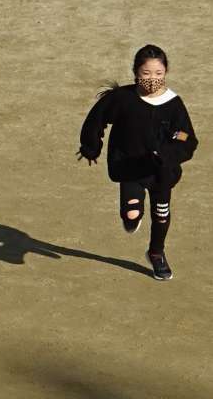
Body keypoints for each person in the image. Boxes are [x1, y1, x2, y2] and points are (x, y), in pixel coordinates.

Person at [78, 44, 198, 280]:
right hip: (130, 166)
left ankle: (156, 253)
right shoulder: (122, 99)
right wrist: (91, 147)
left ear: (166, 72)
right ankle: (131, 214)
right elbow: (97, 119)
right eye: (146, 73)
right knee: (132, 215)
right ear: (135, 72)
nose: (152, 79)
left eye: (158, 73)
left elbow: (186, 137)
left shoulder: (174, 104)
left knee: (161, 214)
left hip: (161, 171)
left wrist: (168, 154)